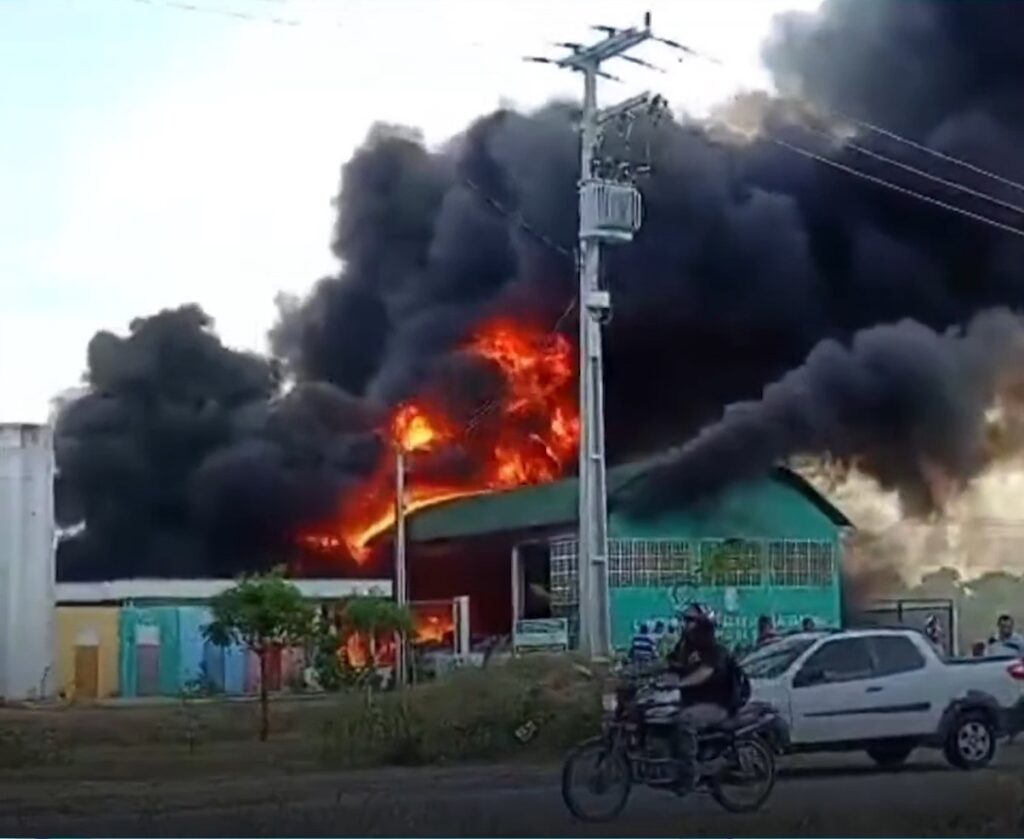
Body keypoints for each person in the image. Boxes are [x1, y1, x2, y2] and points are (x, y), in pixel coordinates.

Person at [664, 603, 738, 793]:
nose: (686, 624)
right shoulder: (685, 647)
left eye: (691, 620)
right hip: (693, 703)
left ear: (702, 624)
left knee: (684, 721)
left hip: (715, 704)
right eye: (685, 620)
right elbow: (669, 665)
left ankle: (689, 775)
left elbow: (704, 673)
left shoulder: (713, 649)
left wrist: (680, 683)